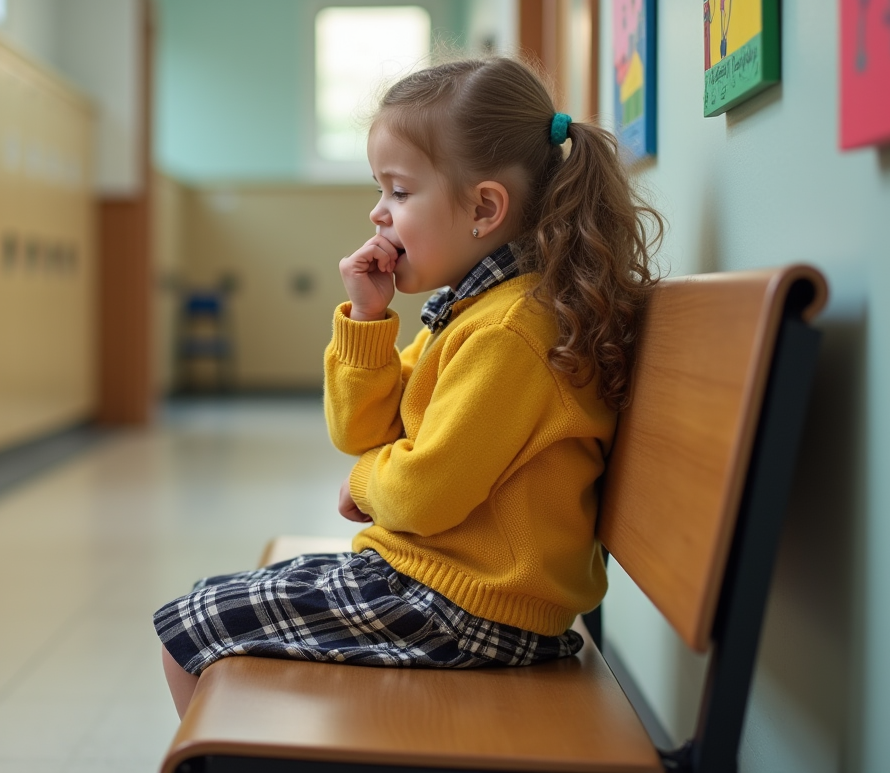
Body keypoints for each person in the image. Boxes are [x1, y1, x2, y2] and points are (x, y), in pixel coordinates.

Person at [154, 56, 663, 719]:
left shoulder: (510, 330)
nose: (378, 212)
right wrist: (368, 318)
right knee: (208, 609)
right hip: (438, 584)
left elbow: (423, 493)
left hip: (467, 609)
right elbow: (361, 431)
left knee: (188, 628)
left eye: (397, 191)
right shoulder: (473, 310)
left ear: (483, 207)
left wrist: (363, 484)